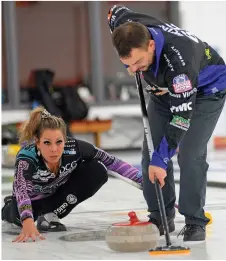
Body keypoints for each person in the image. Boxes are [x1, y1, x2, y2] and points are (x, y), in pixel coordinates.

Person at [108, 5, 226, 242]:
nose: (133, 70)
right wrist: (156, 157)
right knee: (149, 154)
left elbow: (181, 118)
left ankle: (194, 221)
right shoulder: (124, 25)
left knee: (189, 154)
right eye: (127, 64)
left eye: (138, 62)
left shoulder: (179, 63)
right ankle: (161, 216)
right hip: (163, 91)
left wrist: (162, 159)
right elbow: (115, 11)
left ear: (151, 45)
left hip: (205, 91)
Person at [2, 106, 142, 243]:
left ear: (65, 140)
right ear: (37, 143)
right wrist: (27, 220)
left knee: (97, 169)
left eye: (59, 142)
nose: (54, 149)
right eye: (47, 143)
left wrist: (143, 180)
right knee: (17, 218)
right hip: (32, 201)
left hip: (56, 197)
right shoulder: (26, 157)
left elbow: (112, 162)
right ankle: (9, 205)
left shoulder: (75, 148)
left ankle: (51, 214)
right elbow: (21, 189)